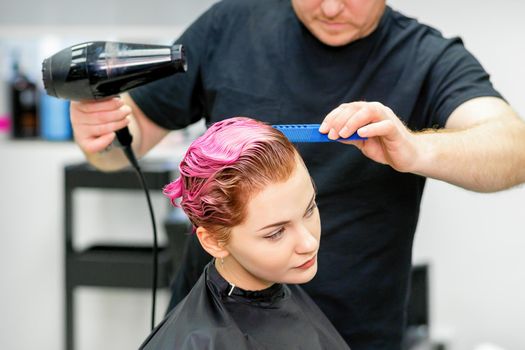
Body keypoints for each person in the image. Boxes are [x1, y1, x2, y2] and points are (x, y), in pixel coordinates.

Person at [70, 0, 525, 348]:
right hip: (218, 320)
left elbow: (514, 149)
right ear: (211, 235)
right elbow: (126, 142)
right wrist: (104, 135)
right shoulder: (231, 24)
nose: (330, 8)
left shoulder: (427, 58)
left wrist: (417, 147)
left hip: (353, 332)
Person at [139, 116, 350, 349]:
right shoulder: (199, 341)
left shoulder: (278, 285)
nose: (309, 243)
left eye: (309, 209)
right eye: (276, 233)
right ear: (214, 241)